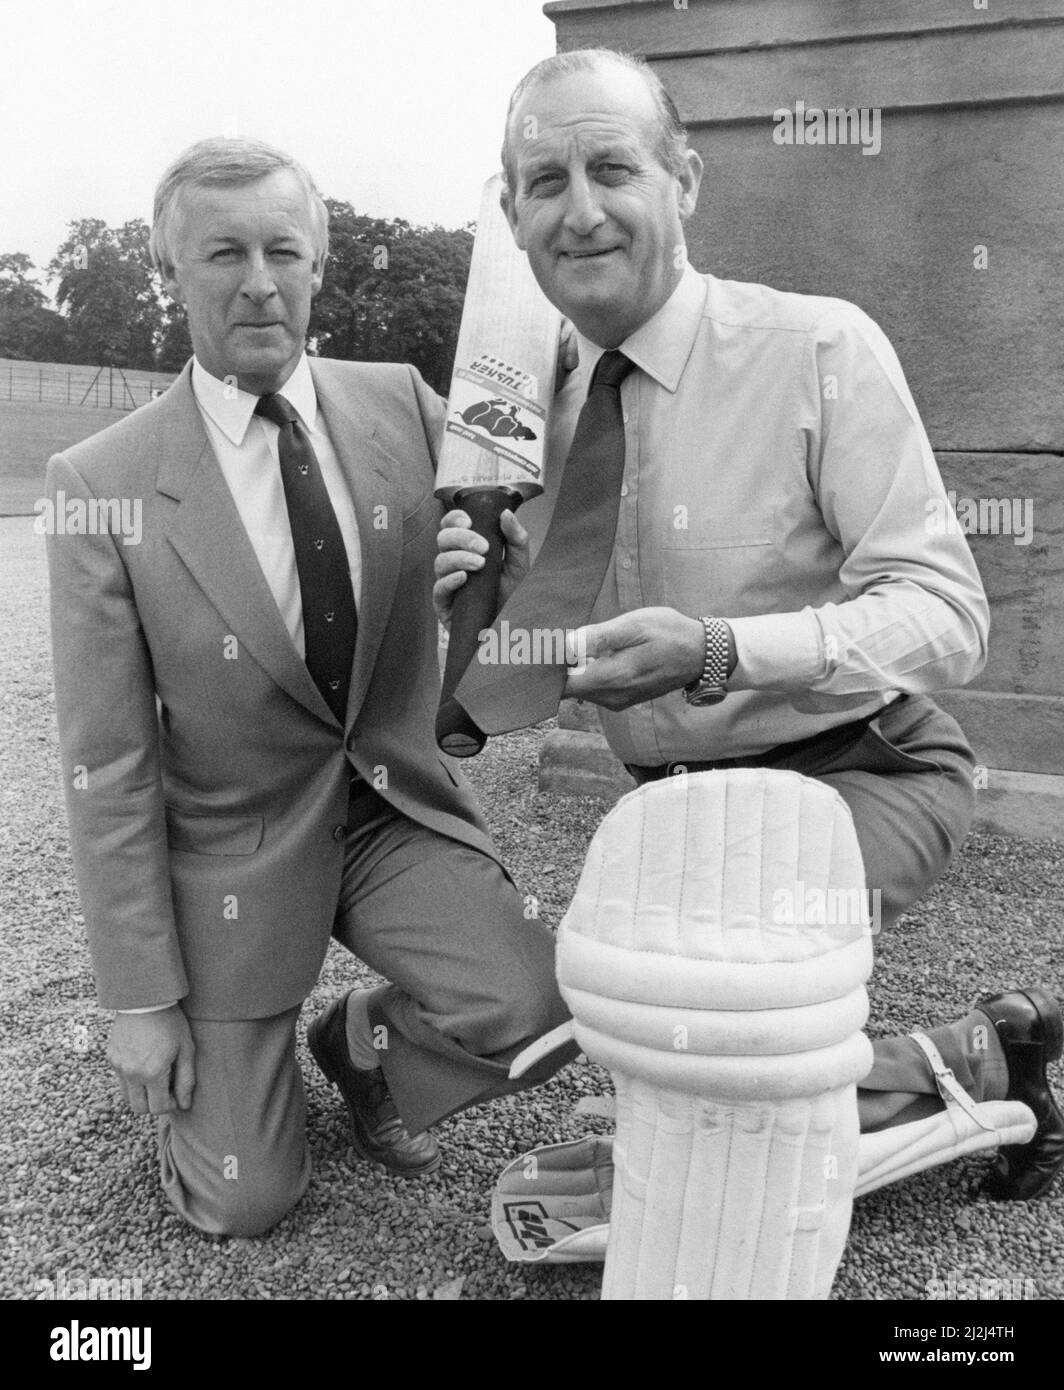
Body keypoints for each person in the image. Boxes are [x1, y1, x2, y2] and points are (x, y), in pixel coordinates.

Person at [434, 50, 1063, 1200]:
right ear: (511, 213)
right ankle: (972, 1052)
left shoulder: (819, 349)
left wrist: (723, 650)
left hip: (860, 771)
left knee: (695, 1019)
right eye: (541, 180)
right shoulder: (526, 415)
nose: (577, 211)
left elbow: (949, 615)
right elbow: (537, 672)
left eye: (611, 167)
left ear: (685, 180)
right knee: (625, 1014)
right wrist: (492, 605)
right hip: (671, 810)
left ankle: (947, 1072)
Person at [44, 137, 573, 1239]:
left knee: (544, 1005)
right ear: (170, 270)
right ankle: (234, 1053)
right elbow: (108, 763)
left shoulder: (411, 409)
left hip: (386, 814)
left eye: (283, 249)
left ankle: (359, 1046)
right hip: (232, 848)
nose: (257, 279)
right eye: (221, 252)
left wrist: (499, 599)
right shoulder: (100, 484)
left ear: (319, 260)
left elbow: (488, 665)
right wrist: (141, 997)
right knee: (243, 1201)